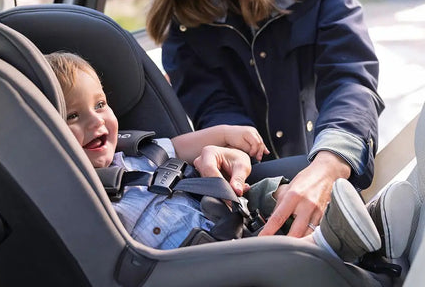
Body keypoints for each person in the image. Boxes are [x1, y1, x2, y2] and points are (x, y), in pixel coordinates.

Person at [145, 0, 386, 239]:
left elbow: (350, 80)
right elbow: (213, 107)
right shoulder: (182, 17)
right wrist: (235, 155)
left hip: (322, 162)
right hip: (250, 189)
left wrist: (328, 165)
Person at [44, 51, 416, 263]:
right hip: (196, 260)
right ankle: (336, 244)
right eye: (73, 116)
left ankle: (365, 227)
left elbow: (180, 146)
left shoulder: (135, 152)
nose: (97, 121)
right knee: (285, 253)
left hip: (223, 215)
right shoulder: (77, 194)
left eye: (101, 104)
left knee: (274, 190)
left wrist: (224, 136)